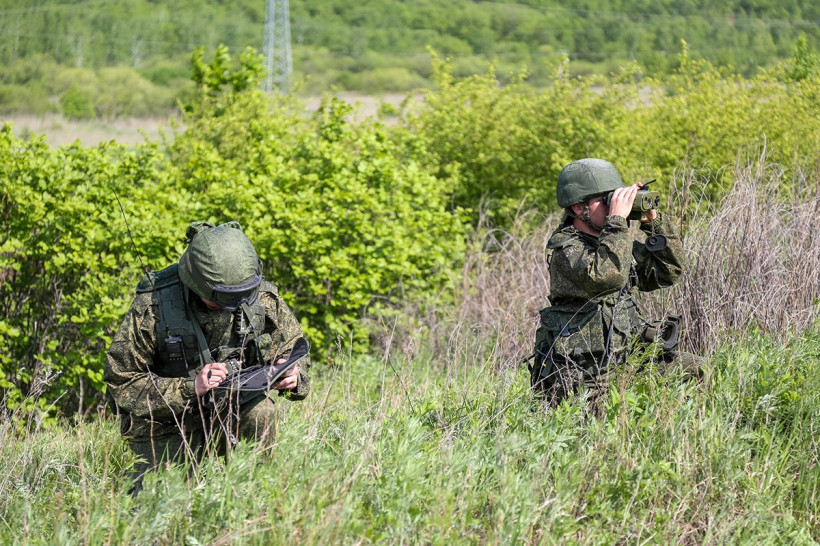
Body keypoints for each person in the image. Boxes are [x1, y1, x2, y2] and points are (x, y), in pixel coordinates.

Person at [105, 221, 310, 486]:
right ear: (197, 284)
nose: (234, 305)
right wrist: (191, 387)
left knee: (262, 413)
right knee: (161, 500)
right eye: (223, 298)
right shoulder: (154, 306)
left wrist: (293, 375)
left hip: (232, 410)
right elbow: (121, 381)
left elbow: (293, 346)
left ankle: (253, 493)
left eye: (242, 295)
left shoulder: (259, 297)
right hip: (167, 424)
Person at [530, 158, 701, 408]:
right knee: (608, 418)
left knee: (699, 370)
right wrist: (617, 221)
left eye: (616, 198)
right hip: (587, 375)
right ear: (578, 207)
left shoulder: (614, 243)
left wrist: (653, 222)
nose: (614, 206)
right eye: (606, 200)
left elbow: (669, 270)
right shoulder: (567, 251)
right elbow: (607, 277)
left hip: (626, 360)